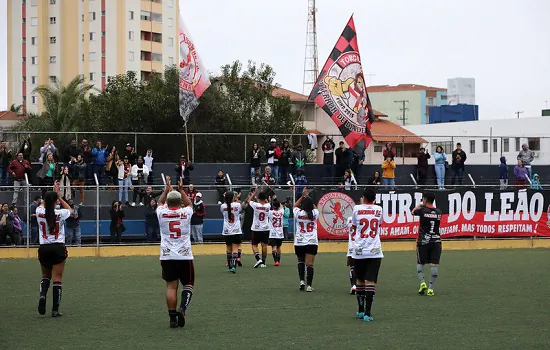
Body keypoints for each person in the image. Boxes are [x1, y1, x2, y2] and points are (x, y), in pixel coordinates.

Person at [156, 176, 194, 328]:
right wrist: (181, 189)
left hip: (167, 255)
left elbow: (159, 202)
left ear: (168, 203)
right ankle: (182, 309)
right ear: (180, 202)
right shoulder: (186, 212)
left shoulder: (161, 213)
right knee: (188, 284)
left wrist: (166, 190)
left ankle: (172, 318)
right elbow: (190, 204)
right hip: (184, 255)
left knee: (171, 287)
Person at [36, 183, 73, 317]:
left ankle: (42, 295)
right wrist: (60, 197)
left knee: (46, 276)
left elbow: (44, 204)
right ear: (55, 201)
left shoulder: (39, 212)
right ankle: (55, 310)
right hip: (58, 247)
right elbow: (70, 210)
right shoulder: (60, 213)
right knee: (57, 279)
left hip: (44, 247)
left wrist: (52, 196)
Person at [350, 188, 383, 321]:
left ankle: (360, 310)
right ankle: (368, 313)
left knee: (359, 280)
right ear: (374, 199)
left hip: (359, 250)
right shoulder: (379, 209)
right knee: (370, 281)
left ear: (363, 197)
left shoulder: (356, 208)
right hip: (374, 250)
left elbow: (354, 225)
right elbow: (379, 223)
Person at [412, 192, 442, 297]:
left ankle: (422, 283)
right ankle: (431, 289)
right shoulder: (439, 212)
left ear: (424, 199)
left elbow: (413, 212)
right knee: (434, 264)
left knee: (420, 263)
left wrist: (420, 204)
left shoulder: (422, 210)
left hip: (423, 241)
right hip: (436, 241)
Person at [293, 188, 319, 292]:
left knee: (300, 261)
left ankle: (301, 281)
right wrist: (308, 199)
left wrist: (302, 197)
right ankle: (309, 285)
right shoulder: (315, 213)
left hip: (299, 241)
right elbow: (315, 208)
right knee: (310, 264)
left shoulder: (298, 213)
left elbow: (294, 206)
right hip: (311, 242)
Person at [221, 191, 244, 273]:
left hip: (227, 230)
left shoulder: (222, 206)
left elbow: (224, 211)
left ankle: (230, 266)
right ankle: (234, 266)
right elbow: (241, 208)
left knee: (228, 249)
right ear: (233, 197)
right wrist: (237, 198)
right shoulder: (237, 205)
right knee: (235, 248)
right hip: (236, 230)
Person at [248, 190, 271, 268]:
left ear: (258, 198)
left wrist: (253, 194)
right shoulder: (268, 205)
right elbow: (267, 202)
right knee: (264, 245)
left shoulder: (255, 205)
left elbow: (249, 201)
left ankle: (258, 259)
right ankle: (263, 263)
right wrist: (266, 200)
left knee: (254, 245)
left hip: (256, 228)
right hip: (265, 228)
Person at [268, 199, 284, 266]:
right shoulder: (281, 212)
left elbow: (267, 207)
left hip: (272, 233)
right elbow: (282, 207)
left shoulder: (270, 212)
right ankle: (279, 260)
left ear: (273, 206)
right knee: (279, 247)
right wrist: (278, 202)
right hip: (280, 233)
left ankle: (276, 261)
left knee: (274, 247)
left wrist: (269, 201)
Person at [346, 216, 356, 295]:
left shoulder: (349, 219)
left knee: (353, 267)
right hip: (363, 245)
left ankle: (353, 285)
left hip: (352, 247)